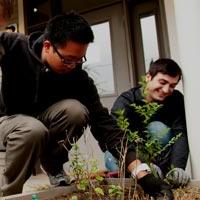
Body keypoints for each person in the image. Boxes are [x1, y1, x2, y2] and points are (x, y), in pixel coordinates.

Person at [0, 12, 173, 199]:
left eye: (79, 60)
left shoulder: (78, 79)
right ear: (48, 46)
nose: (73, 66)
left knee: (76, 111)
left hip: (38, 123)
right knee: (32, 129)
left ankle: (53, 166)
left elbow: (106, 126)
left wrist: (142, 173)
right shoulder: (14, 45)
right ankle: (8, 194)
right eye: (67, 59)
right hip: (7, 120)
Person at [105, 58, 190, 188]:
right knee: (110, 155)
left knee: (157, 128)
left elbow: (181, 134)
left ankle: (161, 176)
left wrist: (177, 168)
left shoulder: (176, 100)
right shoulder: (127, 101)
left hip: (161, 161)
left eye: (172, 85)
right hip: (131, 159)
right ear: (148, 77)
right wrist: (143, 165)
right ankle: (138, 178)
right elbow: (114, 136)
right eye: (162, 82)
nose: (166, 89)